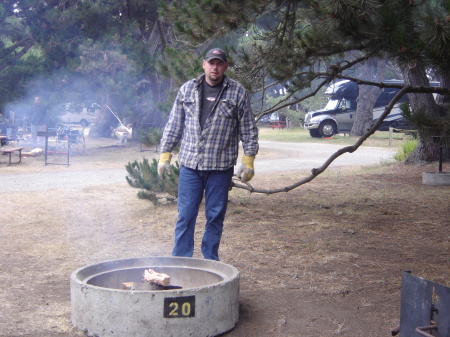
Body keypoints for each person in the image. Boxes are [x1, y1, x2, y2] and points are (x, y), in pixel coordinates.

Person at [158, 48, 259, 261]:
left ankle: (210, 262)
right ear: (204, 64)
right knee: (185, 216)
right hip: (190, 167)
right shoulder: (187, 90)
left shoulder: (237, 92)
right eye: (211, 63)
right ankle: (181, 261)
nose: (215, 67)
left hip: (220, 169)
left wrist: (248, 161)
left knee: (215, 217)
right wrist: (165, 155)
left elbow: (248, 129)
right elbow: (174, 124)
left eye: (219, 63)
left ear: (225, 67)